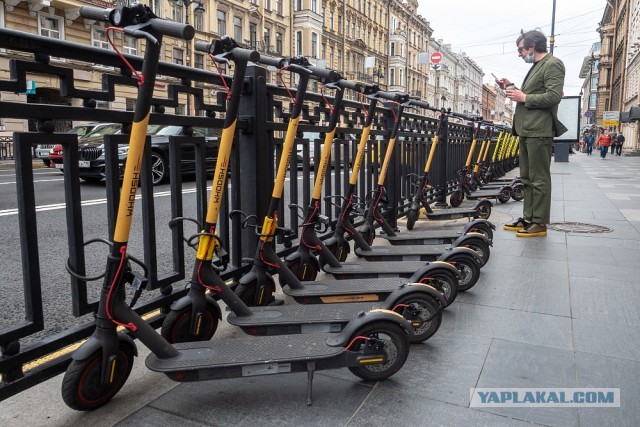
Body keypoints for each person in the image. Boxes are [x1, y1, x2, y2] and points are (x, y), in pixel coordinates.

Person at [496, 30, 567, 238]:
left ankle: (540, 223)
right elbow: (530, 95)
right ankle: (528, 219)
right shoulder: (537, 66)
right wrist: (510, 87)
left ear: (532, 46)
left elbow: (554, 96)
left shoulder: (553, 63)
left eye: (521, 49)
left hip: (539, 130)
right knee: (527, 177)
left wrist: (524, 96)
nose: (520, 54)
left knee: (539, 178)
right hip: (527, 129)